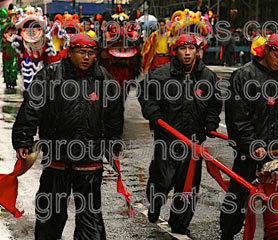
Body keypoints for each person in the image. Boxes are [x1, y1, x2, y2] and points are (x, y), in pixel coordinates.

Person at [12, 33, 124, 240]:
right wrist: (22, 139)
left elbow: (114, 115)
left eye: (91, 53)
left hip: (90, 160)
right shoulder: (50, 75)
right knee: (51, 214)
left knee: (90, 216)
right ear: (70, 52)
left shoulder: (104, 78)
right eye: (81, 52)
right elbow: (31, 109)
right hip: (57, 158)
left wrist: (114, 142)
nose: (86, 57)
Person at [220, 34, 278, 240]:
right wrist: (251, 143)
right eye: (276, 56)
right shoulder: (244, 75)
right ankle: (228, 233)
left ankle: (275, 233)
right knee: (239, 194)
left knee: (277, 197)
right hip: (250, 151)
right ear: (266, 51)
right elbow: (237, 115)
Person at [138, 34, 222, 235]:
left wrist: (210, 123)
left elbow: (214, 104)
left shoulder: (207, 76)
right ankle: (155, 203)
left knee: (187, 188)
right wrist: (154, 114)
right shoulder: (161, 74)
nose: (187, 53)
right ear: (175, 51)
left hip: (193, 142)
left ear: (197, 50)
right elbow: (145, 94)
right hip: (168, 139)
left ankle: (179, 223)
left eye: (191, 48)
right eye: (183, 49)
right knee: (162, 180)